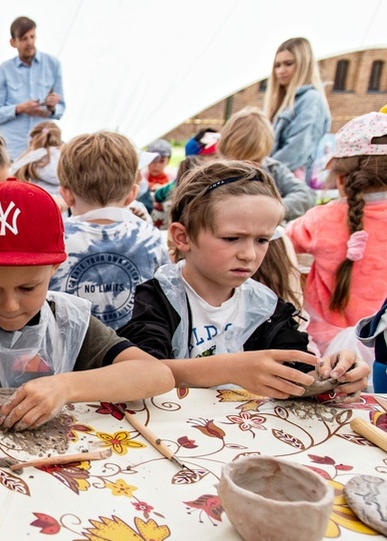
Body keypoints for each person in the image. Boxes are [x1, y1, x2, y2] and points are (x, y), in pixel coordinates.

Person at [0, 179, 174, 430]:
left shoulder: (72, 326)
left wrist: (64, 387)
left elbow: (157, 374)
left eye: (27, 288)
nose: (10, 306)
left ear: (55, 268)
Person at [117, 160, 369, 399]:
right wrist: (230, 369)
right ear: (183, 237)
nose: (249, 255)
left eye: (261, 240)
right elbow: (139, 371)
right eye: (231, 239)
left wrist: (333, 375)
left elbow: (299, 371)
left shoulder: (266, 308)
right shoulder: (156, 298)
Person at [286, 112, 387, 359]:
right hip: (382, 343)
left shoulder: (320, 220)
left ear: (341, 180)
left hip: (328, 349)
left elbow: (280, 241)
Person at [49, 131, 167, 330]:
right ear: (132, 195)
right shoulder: (150, 237)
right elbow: (166, 290)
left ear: (66, 195)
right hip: (137, 351)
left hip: (70, 353)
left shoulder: (55, 238)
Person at [0, 16, 65, 160]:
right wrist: (20, 108)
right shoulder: (4, 70)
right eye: (23, 38)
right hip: (12, 153)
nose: (29, 43)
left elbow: (61, 109)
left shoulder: (53, 65)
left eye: (32, 37)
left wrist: (53, 107)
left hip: (43, 152)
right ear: (13, 42)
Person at [218, 106, 315, 221]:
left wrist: (273, 209)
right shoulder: (216, 174)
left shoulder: (273, 169)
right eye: (241, 161)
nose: (249, 167)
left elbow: (306, 196)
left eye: (256, 161)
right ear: (227, 153)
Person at [264, 37, 331, 184]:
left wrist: (260, 174)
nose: (281, 71)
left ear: (304, 65)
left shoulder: (311, 100)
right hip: (276, 181)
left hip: (290, 186)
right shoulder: (283, 101)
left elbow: (296, 151)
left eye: (288, 64)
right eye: (277, 65)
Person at [9, 120, 64, 204]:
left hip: (28, 209)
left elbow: (9, 175)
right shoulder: (65, 163)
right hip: (58, 213)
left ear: (32, 139)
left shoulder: (26, 159)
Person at [136, 138, 176, 213]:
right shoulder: (140, 177)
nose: (156, 165)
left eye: (161, 161)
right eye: (153, 160)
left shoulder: (172, 178)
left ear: (168, 161)